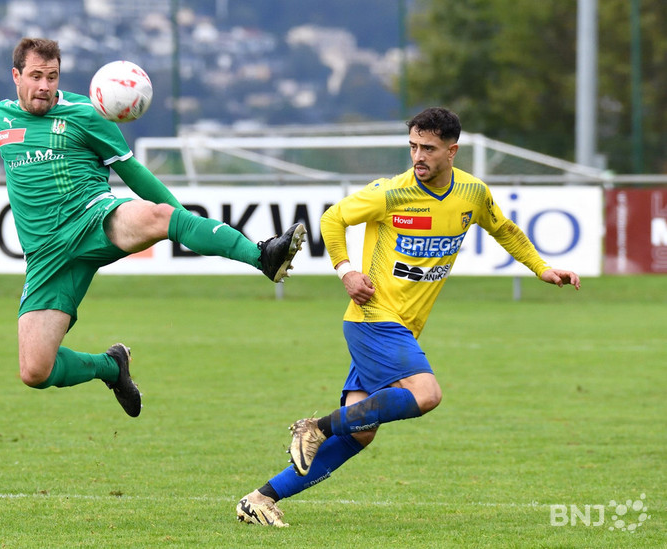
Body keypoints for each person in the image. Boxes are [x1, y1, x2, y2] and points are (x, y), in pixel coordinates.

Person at [0, 38, 306, 417]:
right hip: (46, 257)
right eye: (36, 76)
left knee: (156, 216)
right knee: (35, 370)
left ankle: (262, 255)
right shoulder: (0, 119)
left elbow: (134, 174)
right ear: (16, 76)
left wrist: (179, 219)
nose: (44, 86)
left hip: (94, 218)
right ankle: (111, 367)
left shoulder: (87, 114)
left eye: (52, 76)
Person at [236, 107, 580, 527]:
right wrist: (347, 271)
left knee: (361, 432)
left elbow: (503, 229)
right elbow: (332, 218)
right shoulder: (390, 192)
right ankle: (316, 428)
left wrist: (541, 268)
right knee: (426, 394)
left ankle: (260, 498)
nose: (418, 156)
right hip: (374, 318)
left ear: (452, 151)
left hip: (401, 326)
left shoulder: (471, 194)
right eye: (413, 146)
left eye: (429, 148)